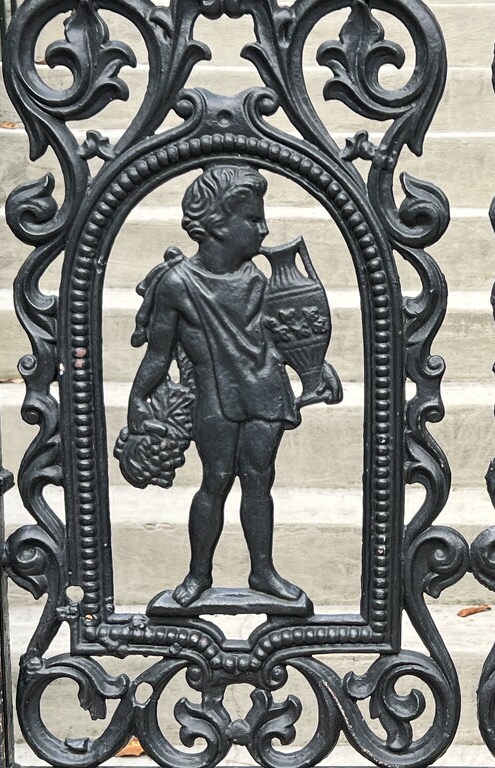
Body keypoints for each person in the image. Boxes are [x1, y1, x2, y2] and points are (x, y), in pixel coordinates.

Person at [126, 164, 304, 607]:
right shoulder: (177, 284)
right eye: (253, 220)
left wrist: (311, 367)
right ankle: (198, 574)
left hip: (265, 390)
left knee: (259, 480)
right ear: (217, 226)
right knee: (216, 480)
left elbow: (281, 336)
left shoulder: (258, 280)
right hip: (215, 397)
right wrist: (138, 395)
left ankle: (262, 571)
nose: (263, 230)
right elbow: (157, 353)